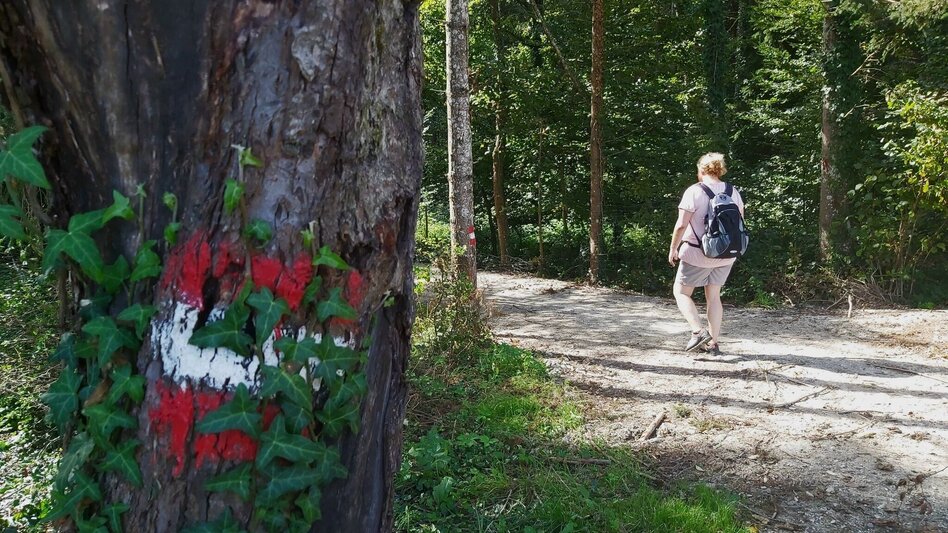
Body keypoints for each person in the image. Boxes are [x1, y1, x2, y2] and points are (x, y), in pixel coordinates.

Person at [667, 152, 744, 355]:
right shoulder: (732, 191)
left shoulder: (694, 191)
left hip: (698, 253)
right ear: (720, 169)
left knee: (681, 292)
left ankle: (698, 332)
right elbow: (740, 222)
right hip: (727, 254)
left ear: (701, 170)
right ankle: (714, 344)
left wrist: (673, 248)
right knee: (714, 297)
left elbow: (681, 224)